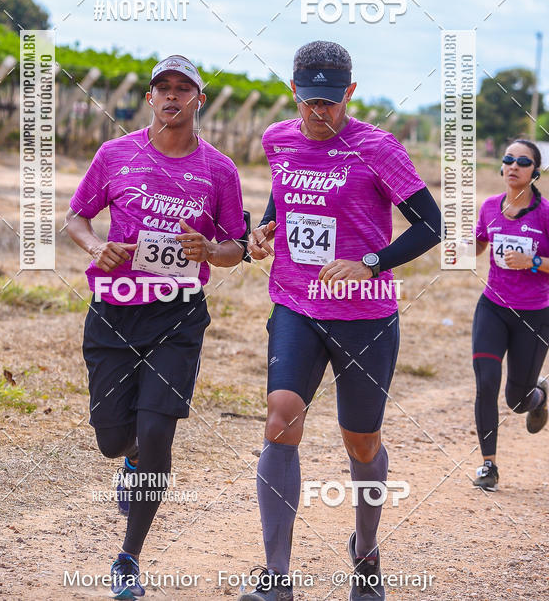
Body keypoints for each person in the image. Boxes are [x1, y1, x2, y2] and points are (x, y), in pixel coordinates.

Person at [243, 41, 442, 601]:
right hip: (297, 304)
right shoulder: (277, 140)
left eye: (330, 102)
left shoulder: (378, 148)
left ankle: (367, 552)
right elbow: (284, 204)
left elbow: (431, 225)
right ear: (294, 92)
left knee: (361, 442)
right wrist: (264, 230)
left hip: (365, 317)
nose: (319, 112)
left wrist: (371, 261)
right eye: (310, 101)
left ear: (350, 93)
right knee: (281, 417)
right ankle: (276, 576)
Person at [65, 55, 248, 598]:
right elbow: (76, 217)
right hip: (115, 309)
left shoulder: (219, 170)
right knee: (113, 437)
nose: (172, 97)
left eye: (183, 89)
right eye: (162, 88)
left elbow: (237, 246)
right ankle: (130, 457)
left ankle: (129, 557)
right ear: (150, 98)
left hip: (178, 313)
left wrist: (210, 248)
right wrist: (100, 247)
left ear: (199, 100)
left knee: (157, 432)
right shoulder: (115, 154)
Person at [472, 138, 549, 491]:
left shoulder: (545, 214)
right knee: (486, 382)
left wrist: (533, 262)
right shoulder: (489, 206)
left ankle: (539, 397)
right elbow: (479, 242)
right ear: (501, 167)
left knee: (516, 401)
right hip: (493, 308)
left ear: (535, 172)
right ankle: (488, 465)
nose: (514, 166)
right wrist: (463, 244)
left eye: (523, 161)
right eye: (509, 160)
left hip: (534, 316)